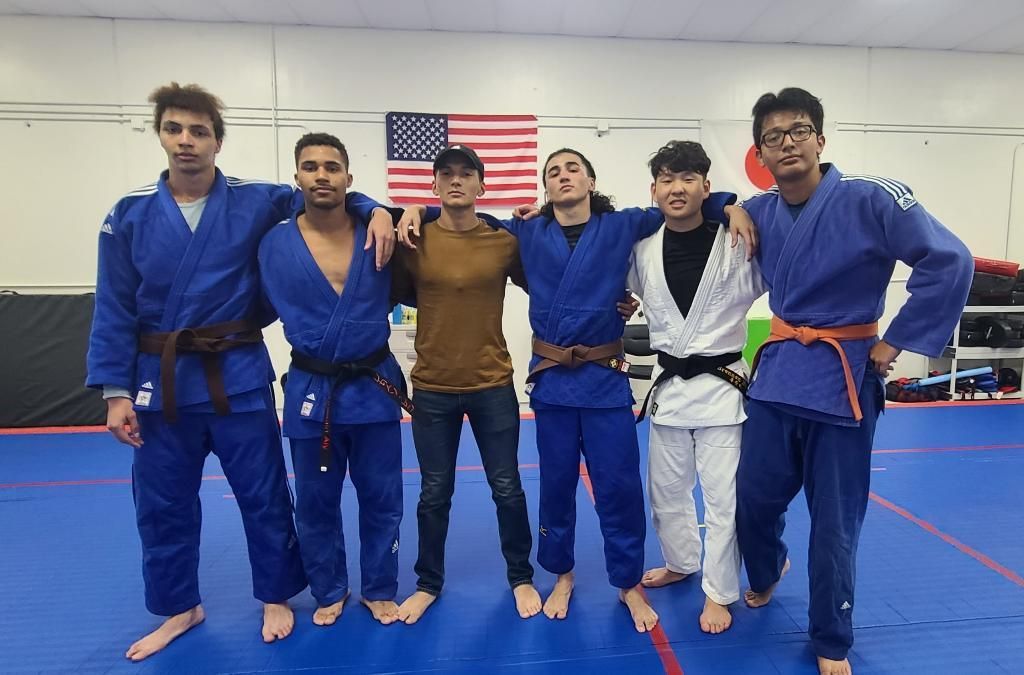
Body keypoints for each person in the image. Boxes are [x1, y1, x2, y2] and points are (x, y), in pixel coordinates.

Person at [86, 83, 394, 661]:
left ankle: (275, 594)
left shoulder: (258, 200)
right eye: (175, 129)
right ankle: (180, 607)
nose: (186, 140)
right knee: (161, 502)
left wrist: (375, 208)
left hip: (238, 374)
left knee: (265, 494)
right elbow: (114, 305)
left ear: (217, 142)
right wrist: (114, 390)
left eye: (199, 131)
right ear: (160, 136)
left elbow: (326, 193)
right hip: (161, 380)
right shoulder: (128, 213)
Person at [401, 147, 754, 633]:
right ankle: (562, 574)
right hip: (553, 383)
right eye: (553, 171)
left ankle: (627, 582)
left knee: (619, 487)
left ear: (591, 181)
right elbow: (462, 217)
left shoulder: (622, 225)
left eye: (573, 169)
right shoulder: (525, 231)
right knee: (557, 485)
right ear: (545, 188)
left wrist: (730, 205)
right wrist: (416, 209)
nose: (563, 176)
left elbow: (681, 204)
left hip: (605, 379)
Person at [735, 87, 973, 675]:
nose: (787, 143)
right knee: (752, 499)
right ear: (760, 154)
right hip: (778, 376)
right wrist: (727, 207)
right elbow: (704, 206)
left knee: (835, 523)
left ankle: (831, 635)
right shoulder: (758, 209)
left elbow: (951, 260)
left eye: (798, 131)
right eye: (773, 137)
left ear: (820, 138)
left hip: (844, 378)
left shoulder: (872, 198)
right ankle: (767, 567)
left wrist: (897, 340)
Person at [259, 132, 411, 627]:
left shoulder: (379, 232)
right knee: (315, 501)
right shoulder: (273, 244)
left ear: (349, 177)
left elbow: (434, 227)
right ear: (296, 177)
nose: (321, 175)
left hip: (372, 387)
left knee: (383, 497)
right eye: (311, 166)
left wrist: (382, 210)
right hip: (312, 389)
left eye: (331, 166)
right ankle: (329, 588)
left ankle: (380, 587)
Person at [389, 144, 543, 623]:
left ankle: (520, 576)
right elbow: (375, 291)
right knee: (434, 493)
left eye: (466, 173)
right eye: (447, 173)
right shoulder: (412, 241)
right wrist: (411, 212)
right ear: (434, 184)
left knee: (507, 487)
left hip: (491, 384)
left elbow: (553, 285)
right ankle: (427, 583)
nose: (456, 180)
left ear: (481, 185)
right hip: (432, 387)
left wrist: (613, 301)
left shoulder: (504, 242)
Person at [627, 140, 765, 635]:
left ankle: (719, 591)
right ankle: (681, 560)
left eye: (688, 178)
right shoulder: (642, 248)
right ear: (654, 190)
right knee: (665, 491)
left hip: (723, 390)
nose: (677, 188)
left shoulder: (738, 240)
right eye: (667, 179)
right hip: (669, 390)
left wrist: (734, 207)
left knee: (723, 499)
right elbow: (620, 289)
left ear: (706, 187)